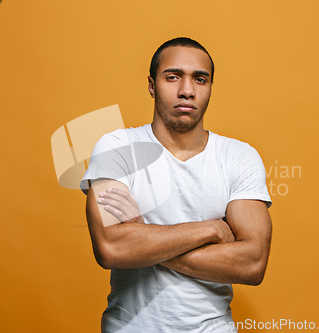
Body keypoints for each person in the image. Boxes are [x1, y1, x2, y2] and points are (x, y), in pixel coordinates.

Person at [81, 37, 273, 333]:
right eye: (172, 77)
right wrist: (212, 230)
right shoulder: (118, 147)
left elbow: (252, 264)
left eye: (200, 79)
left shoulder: (239, 157)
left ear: (210, 87)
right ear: (152, 85)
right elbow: (111, 248)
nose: (186, 91)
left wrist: (143, 240)